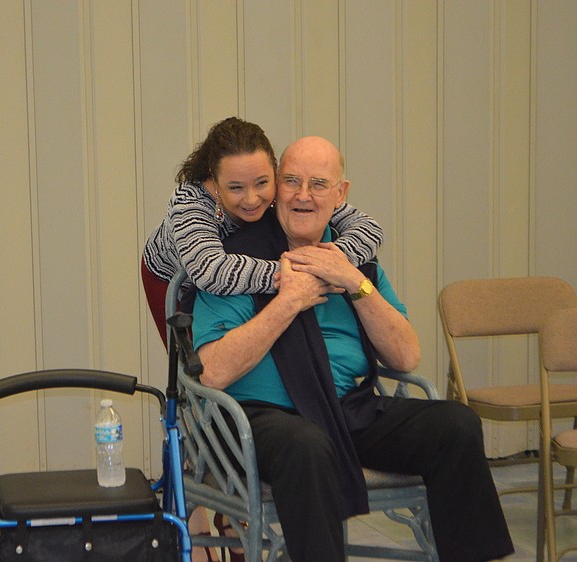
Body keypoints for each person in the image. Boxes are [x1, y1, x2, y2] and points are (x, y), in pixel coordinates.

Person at [190, 136, 515, 562]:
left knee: (456, 424)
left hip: (348, 410)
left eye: (318, 184)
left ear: (340, 194)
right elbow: (211, 371)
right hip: (262, 421)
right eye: (291, 181)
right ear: (275, 190)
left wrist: (352, 281)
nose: (303, 195)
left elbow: (405, 357)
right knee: (306, 444)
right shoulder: (234, 265)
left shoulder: (356, 261)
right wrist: (288, 301)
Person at [141, 117, 384, 344]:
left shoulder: (286, 189)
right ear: (215, 181)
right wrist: (299, 274)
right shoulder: (190, 203)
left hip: (243, 267)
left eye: (262, 183)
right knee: (196, 366)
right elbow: (210, 272)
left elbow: (369, 230)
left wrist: (329, 264)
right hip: (172, 278)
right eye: (235, 187)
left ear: (275, 174)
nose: (252, 199)